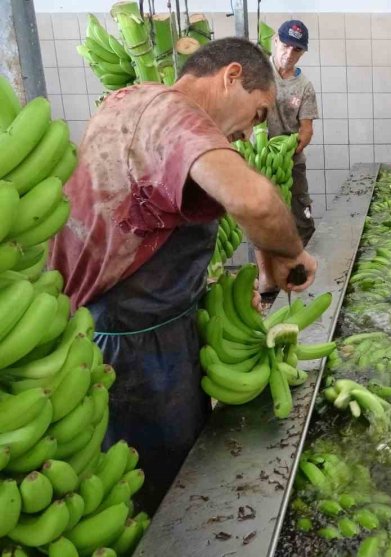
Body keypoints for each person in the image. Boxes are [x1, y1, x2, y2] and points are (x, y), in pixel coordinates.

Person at [48, 38, 317, 513]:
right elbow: (253, 200)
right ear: (231, 76)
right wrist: (293, 253)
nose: (248, 133)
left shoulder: (131, 99)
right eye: (256, 114)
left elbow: (154, 217)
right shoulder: (178, 117)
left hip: (125, 323)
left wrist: (212, 297)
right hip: (136, 346)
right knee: (163, 490)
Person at [257, 19, 319, 299]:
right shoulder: (257, 74)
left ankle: (297, 273)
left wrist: (287, 152)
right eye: (285, 45)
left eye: (296, 49)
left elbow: (306, 130)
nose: (289, 53)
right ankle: (267, 279)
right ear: (275, 42)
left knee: (301, 217)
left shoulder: (304, 87)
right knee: (261, 219)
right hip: (259, 161)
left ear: (302, 53)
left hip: (292, 162)